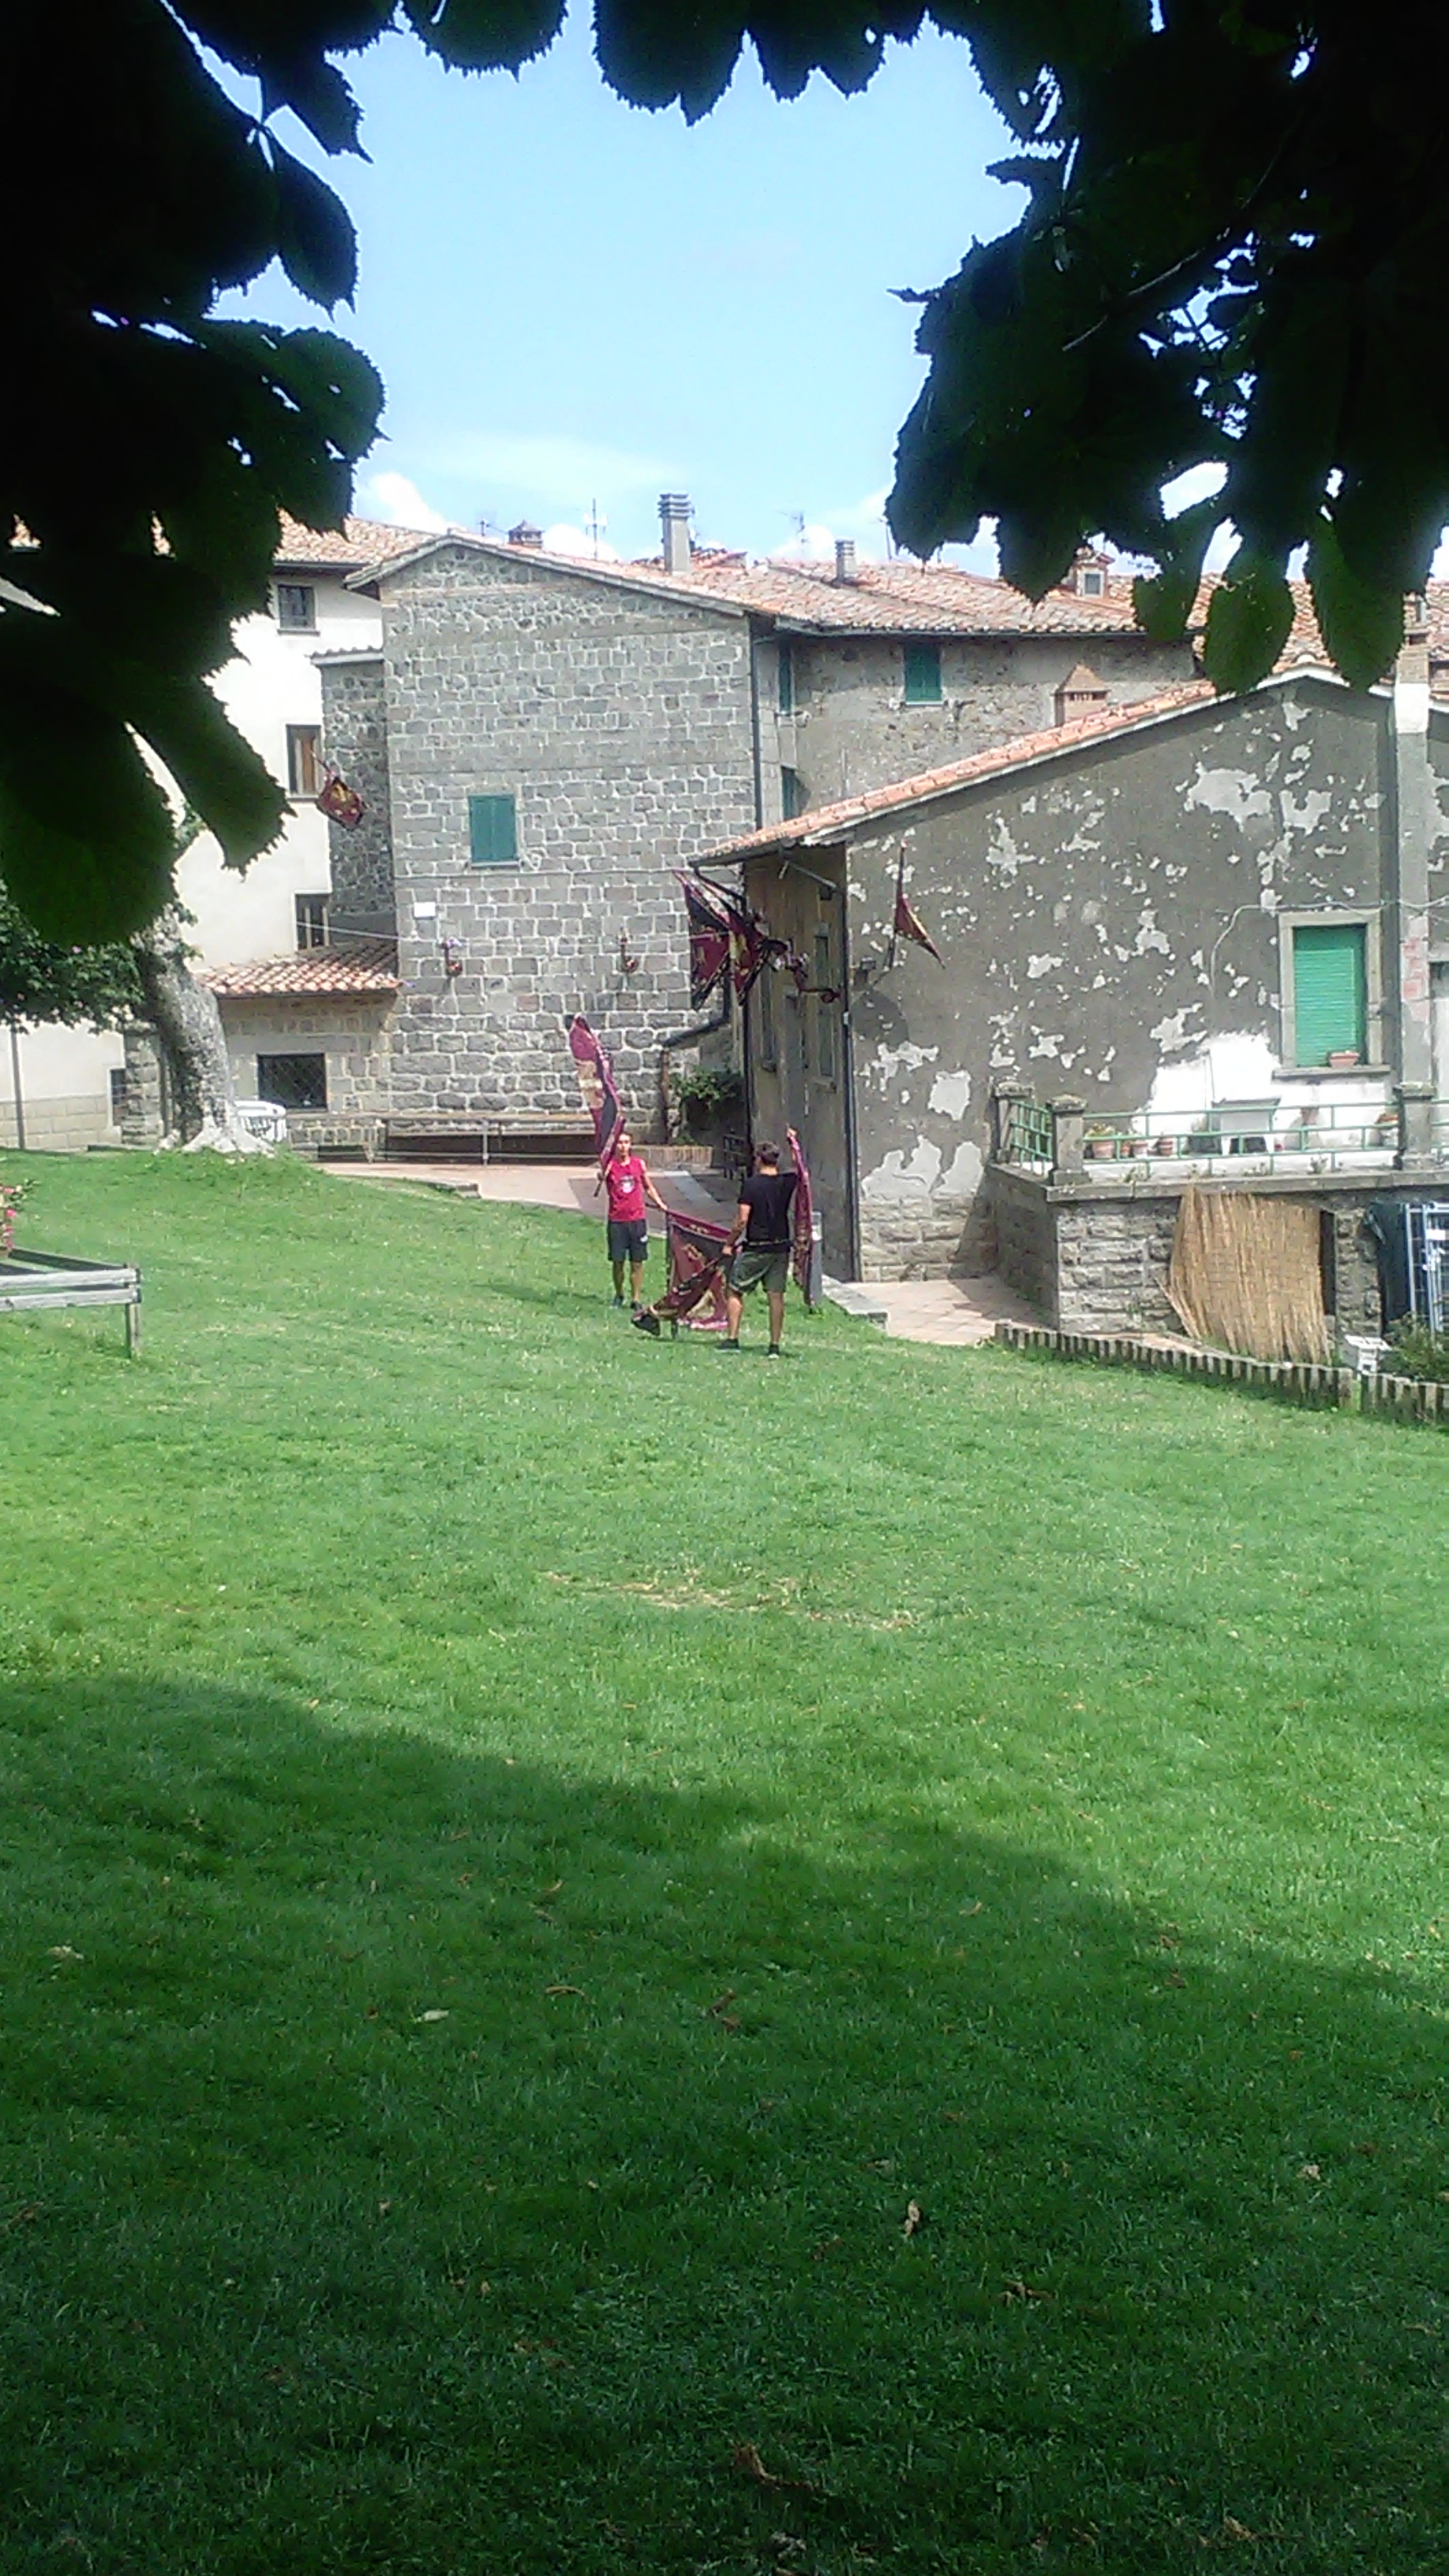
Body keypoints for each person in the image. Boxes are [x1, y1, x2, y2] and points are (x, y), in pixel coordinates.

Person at [721, 1140, 797, 1357]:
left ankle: (732, 1339)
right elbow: (798, 1167)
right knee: (776, 1295)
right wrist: (793, 1144)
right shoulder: (787, 1181)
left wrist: (729, 1243)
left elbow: (742, 1220)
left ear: (758, 1160)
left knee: (734, 1289)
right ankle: (774, 1345)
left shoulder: (751, 1185)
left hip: (757, 1247)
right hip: (781, 1246)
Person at [597, 1128, 668, 1309]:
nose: (623, 1146)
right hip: (617, 1220)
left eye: (626, 1143)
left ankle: (636, 1299)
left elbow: (648, 1187)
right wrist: (602, 1172)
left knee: (637, 1262)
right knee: (618, 1261)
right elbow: (601, 1177)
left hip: (637, 1219)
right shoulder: (610, 1166)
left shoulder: (639, 1164)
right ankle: (619, 1294)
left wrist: (660, 1204)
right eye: (620, 1143)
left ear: (631, 1145)